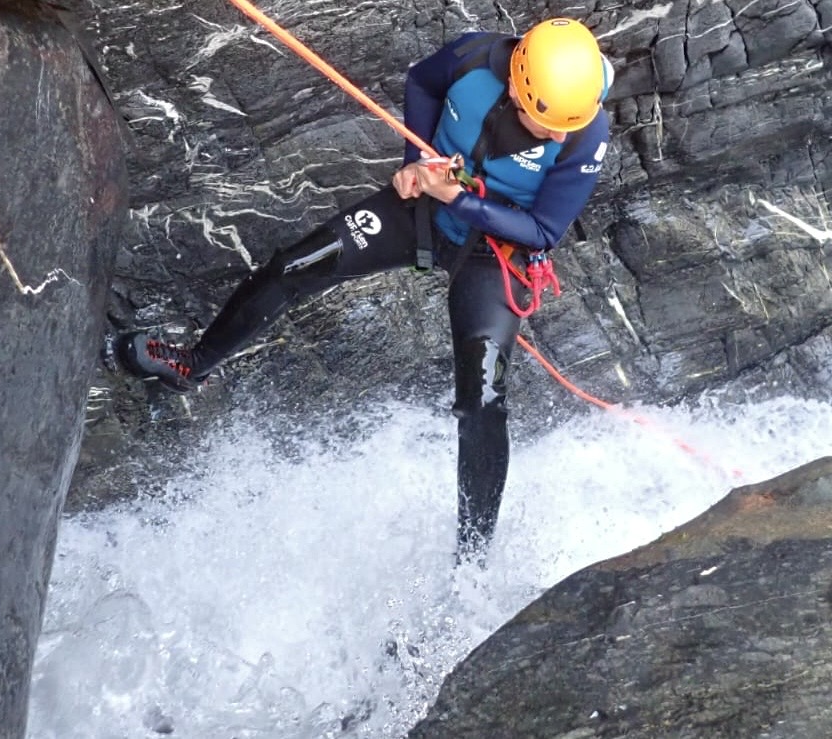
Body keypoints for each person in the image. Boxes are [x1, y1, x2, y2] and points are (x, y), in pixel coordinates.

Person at [111, 18, 613, 563]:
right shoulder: (473, 58)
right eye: (547, 124)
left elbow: (544, 230)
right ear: (518, 86)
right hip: (420, 206)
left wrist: (456, 198)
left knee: (484, 401)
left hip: (494, 254)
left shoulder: (584, 130)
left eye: (568, 125)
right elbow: (423, 83)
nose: (560, 135)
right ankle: (193, 365)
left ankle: (472, 563)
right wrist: (413, 166)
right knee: (293, 267)